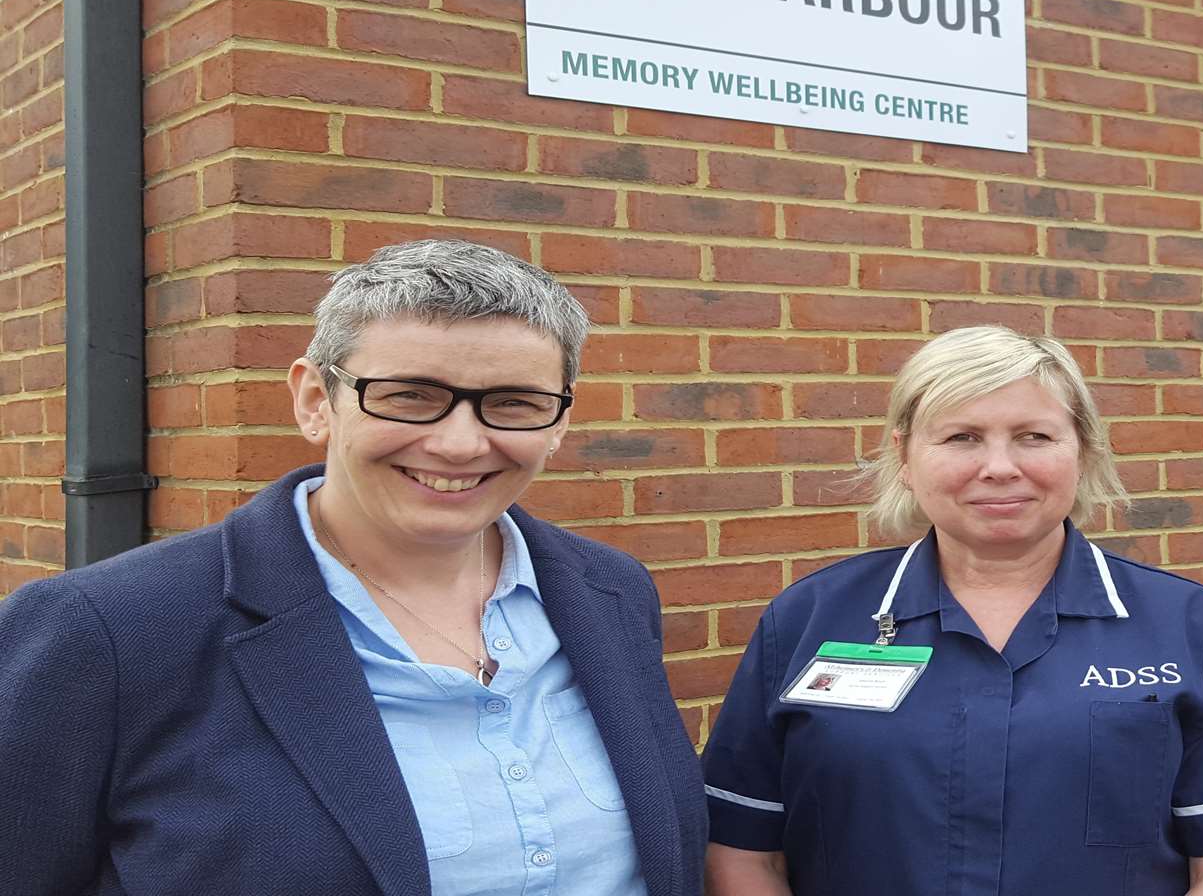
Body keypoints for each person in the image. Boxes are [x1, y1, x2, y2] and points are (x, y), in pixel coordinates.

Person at [0, 239, 706, 896]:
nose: (461, 443)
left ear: (557, 424)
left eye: (513, 403)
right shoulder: (108, 633)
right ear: (316, 400)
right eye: (409, 396)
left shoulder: (610, 591)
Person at [702, 326, 1203, 895]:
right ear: (905, 456)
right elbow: (740, 851)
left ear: (1082, 450)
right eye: (961, 437)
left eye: (1034, 436)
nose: (1000, 468)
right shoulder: (808, 619)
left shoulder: (1186, 625)